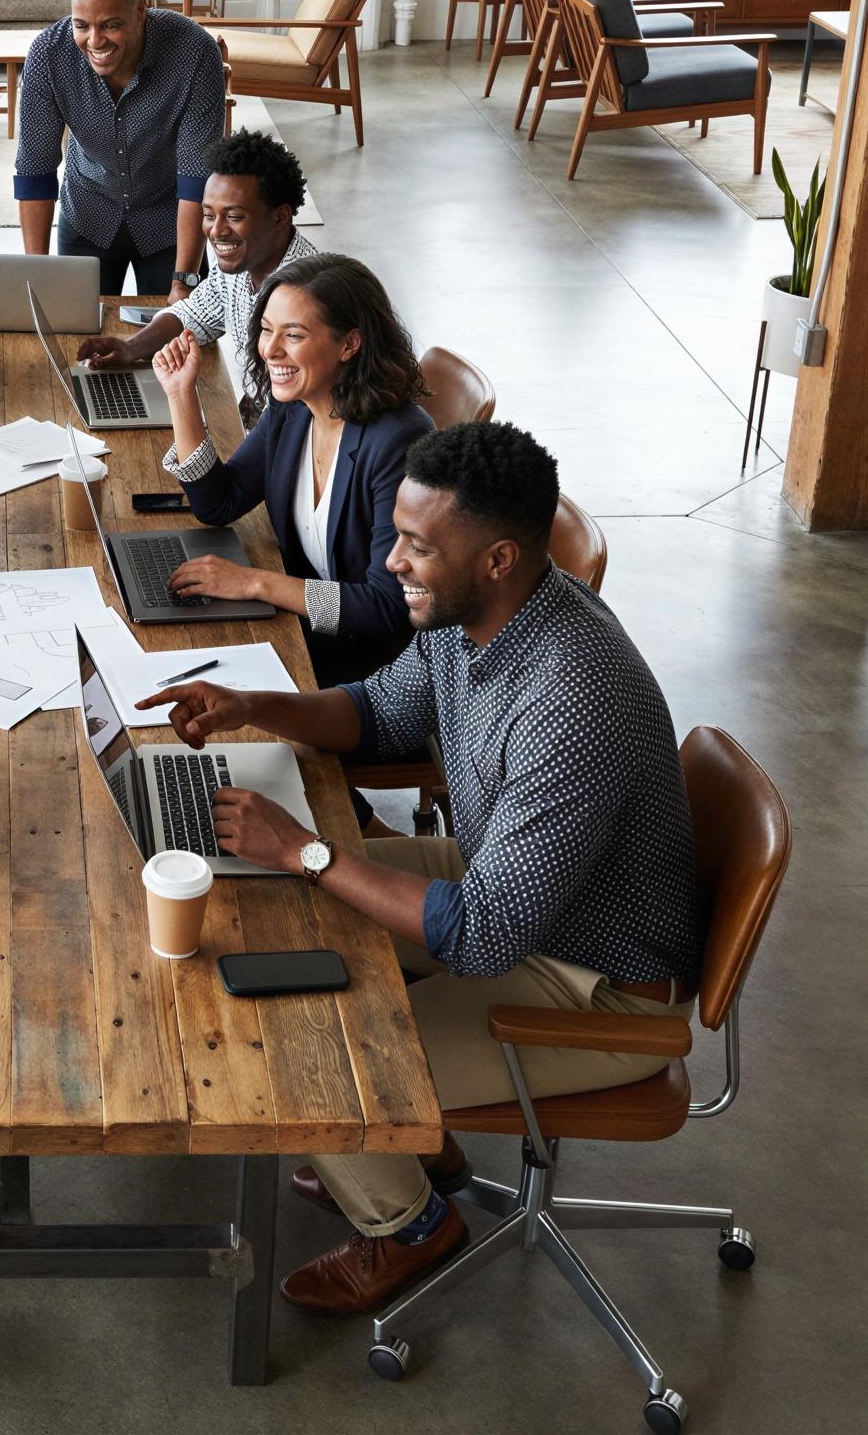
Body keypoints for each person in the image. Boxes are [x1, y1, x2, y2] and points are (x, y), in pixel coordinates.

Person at [149, 422, 703, 1320]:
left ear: (497, 558)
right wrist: (254, 704)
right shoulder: (474, 613)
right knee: (275, 904)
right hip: (510, 880)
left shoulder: (570, 690)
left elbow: (484, 936)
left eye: (416, 545)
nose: (392, 561)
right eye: (397, 534)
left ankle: (408, 1225)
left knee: (302, 1059)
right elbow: (376, 714)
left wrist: (306, 848)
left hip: (590, 984)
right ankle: (432, 1150)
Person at [151, 253, 432, 691]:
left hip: (372, 670)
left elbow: (387, 606)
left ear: (349, 344)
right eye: (266, 330)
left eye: (294, 335)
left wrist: (255, 583)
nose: (270, 350)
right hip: (307, 631)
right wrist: (181, 395)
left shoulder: (397, 442)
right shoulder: (293, 409)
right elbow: (219, 502)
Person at [13, 0, 226, 297]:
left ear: (140, 11)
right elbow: (34, 172)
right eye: (81, 25)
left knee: (171, 339)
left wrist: (184, 280)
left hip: (170, 225)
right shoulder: (48, 56)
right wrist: (35, 276)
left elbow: (196, 177)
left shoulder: (194, 52)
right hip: (87, 217)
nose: (95, 41)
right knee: (76, 339)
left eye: (110, 25)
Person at [74, 128, 320, 424]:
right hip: (260, 418)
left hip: (294, 432)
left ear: (280, 217)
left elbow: (309, 407)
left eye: (234, 216)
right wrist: (131, 347)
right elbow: (196, 312)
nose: (216, 231)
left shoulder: (307, 294)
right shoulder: (242, 261)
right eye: (208, 214)